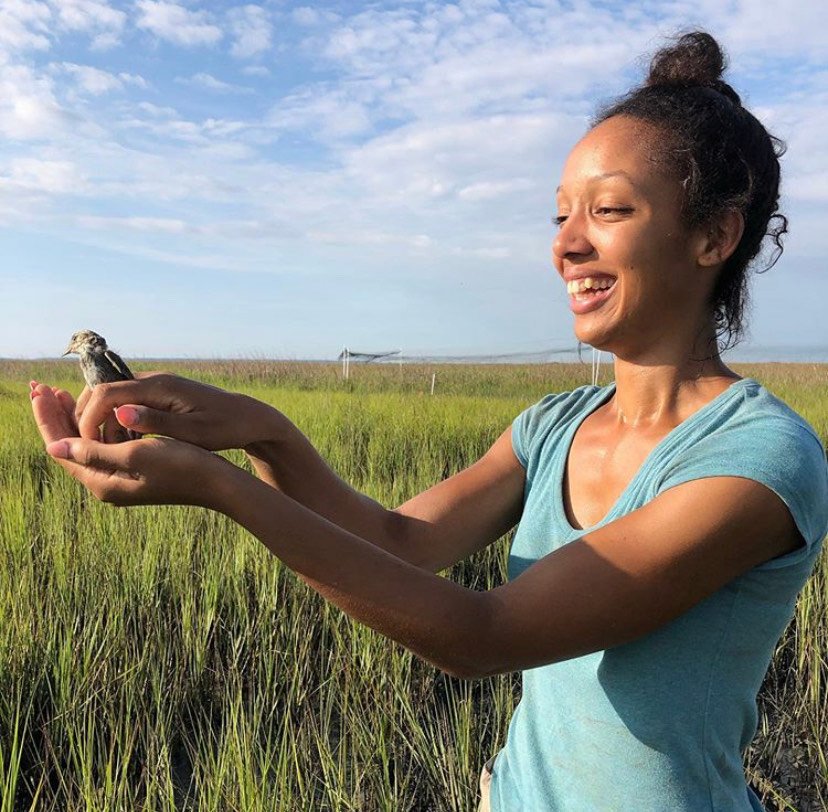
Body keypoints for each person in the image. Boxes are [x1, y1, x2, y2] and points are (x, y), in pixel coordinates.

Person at [31, 30, 828, 812]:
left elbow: (481, 635)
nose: (568, 246)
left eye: (609, 210)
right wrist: (262, 431)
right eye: (559, 217)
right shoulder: (552, 425)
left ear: (715, 235)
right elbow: (402, 544)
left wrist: (223, 490)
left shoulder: (757, 462)